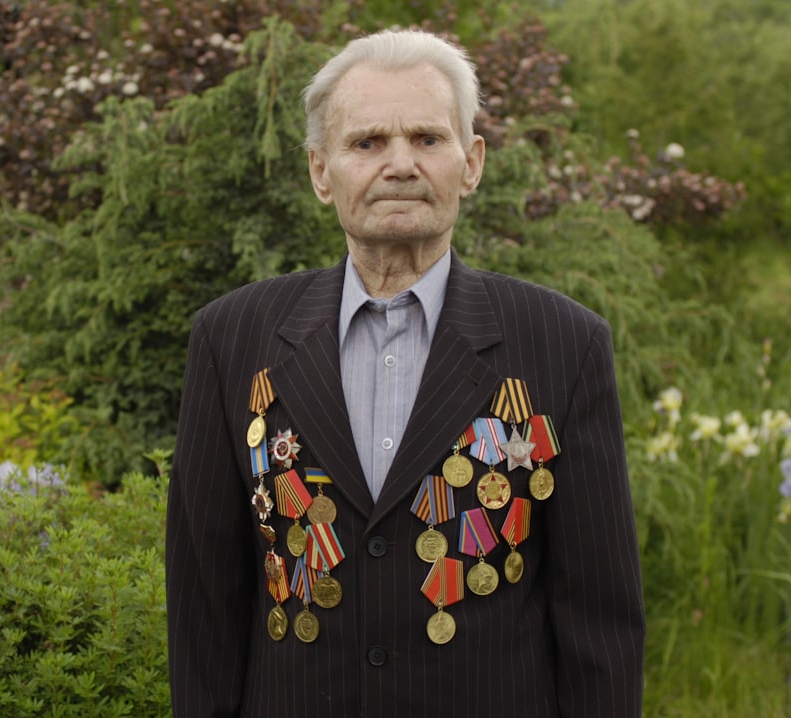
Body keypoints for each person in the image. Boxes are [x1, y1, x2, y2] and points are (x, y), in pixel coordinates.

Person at [165, 28, 644, 718]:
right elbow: (205, 607)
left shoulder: (564, 345)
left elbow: (601, 621)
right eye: (366, 143)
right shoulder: (232, 339)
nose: (400, 165)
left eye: (427, 139)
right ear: (320, 171)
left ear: (471, 163)